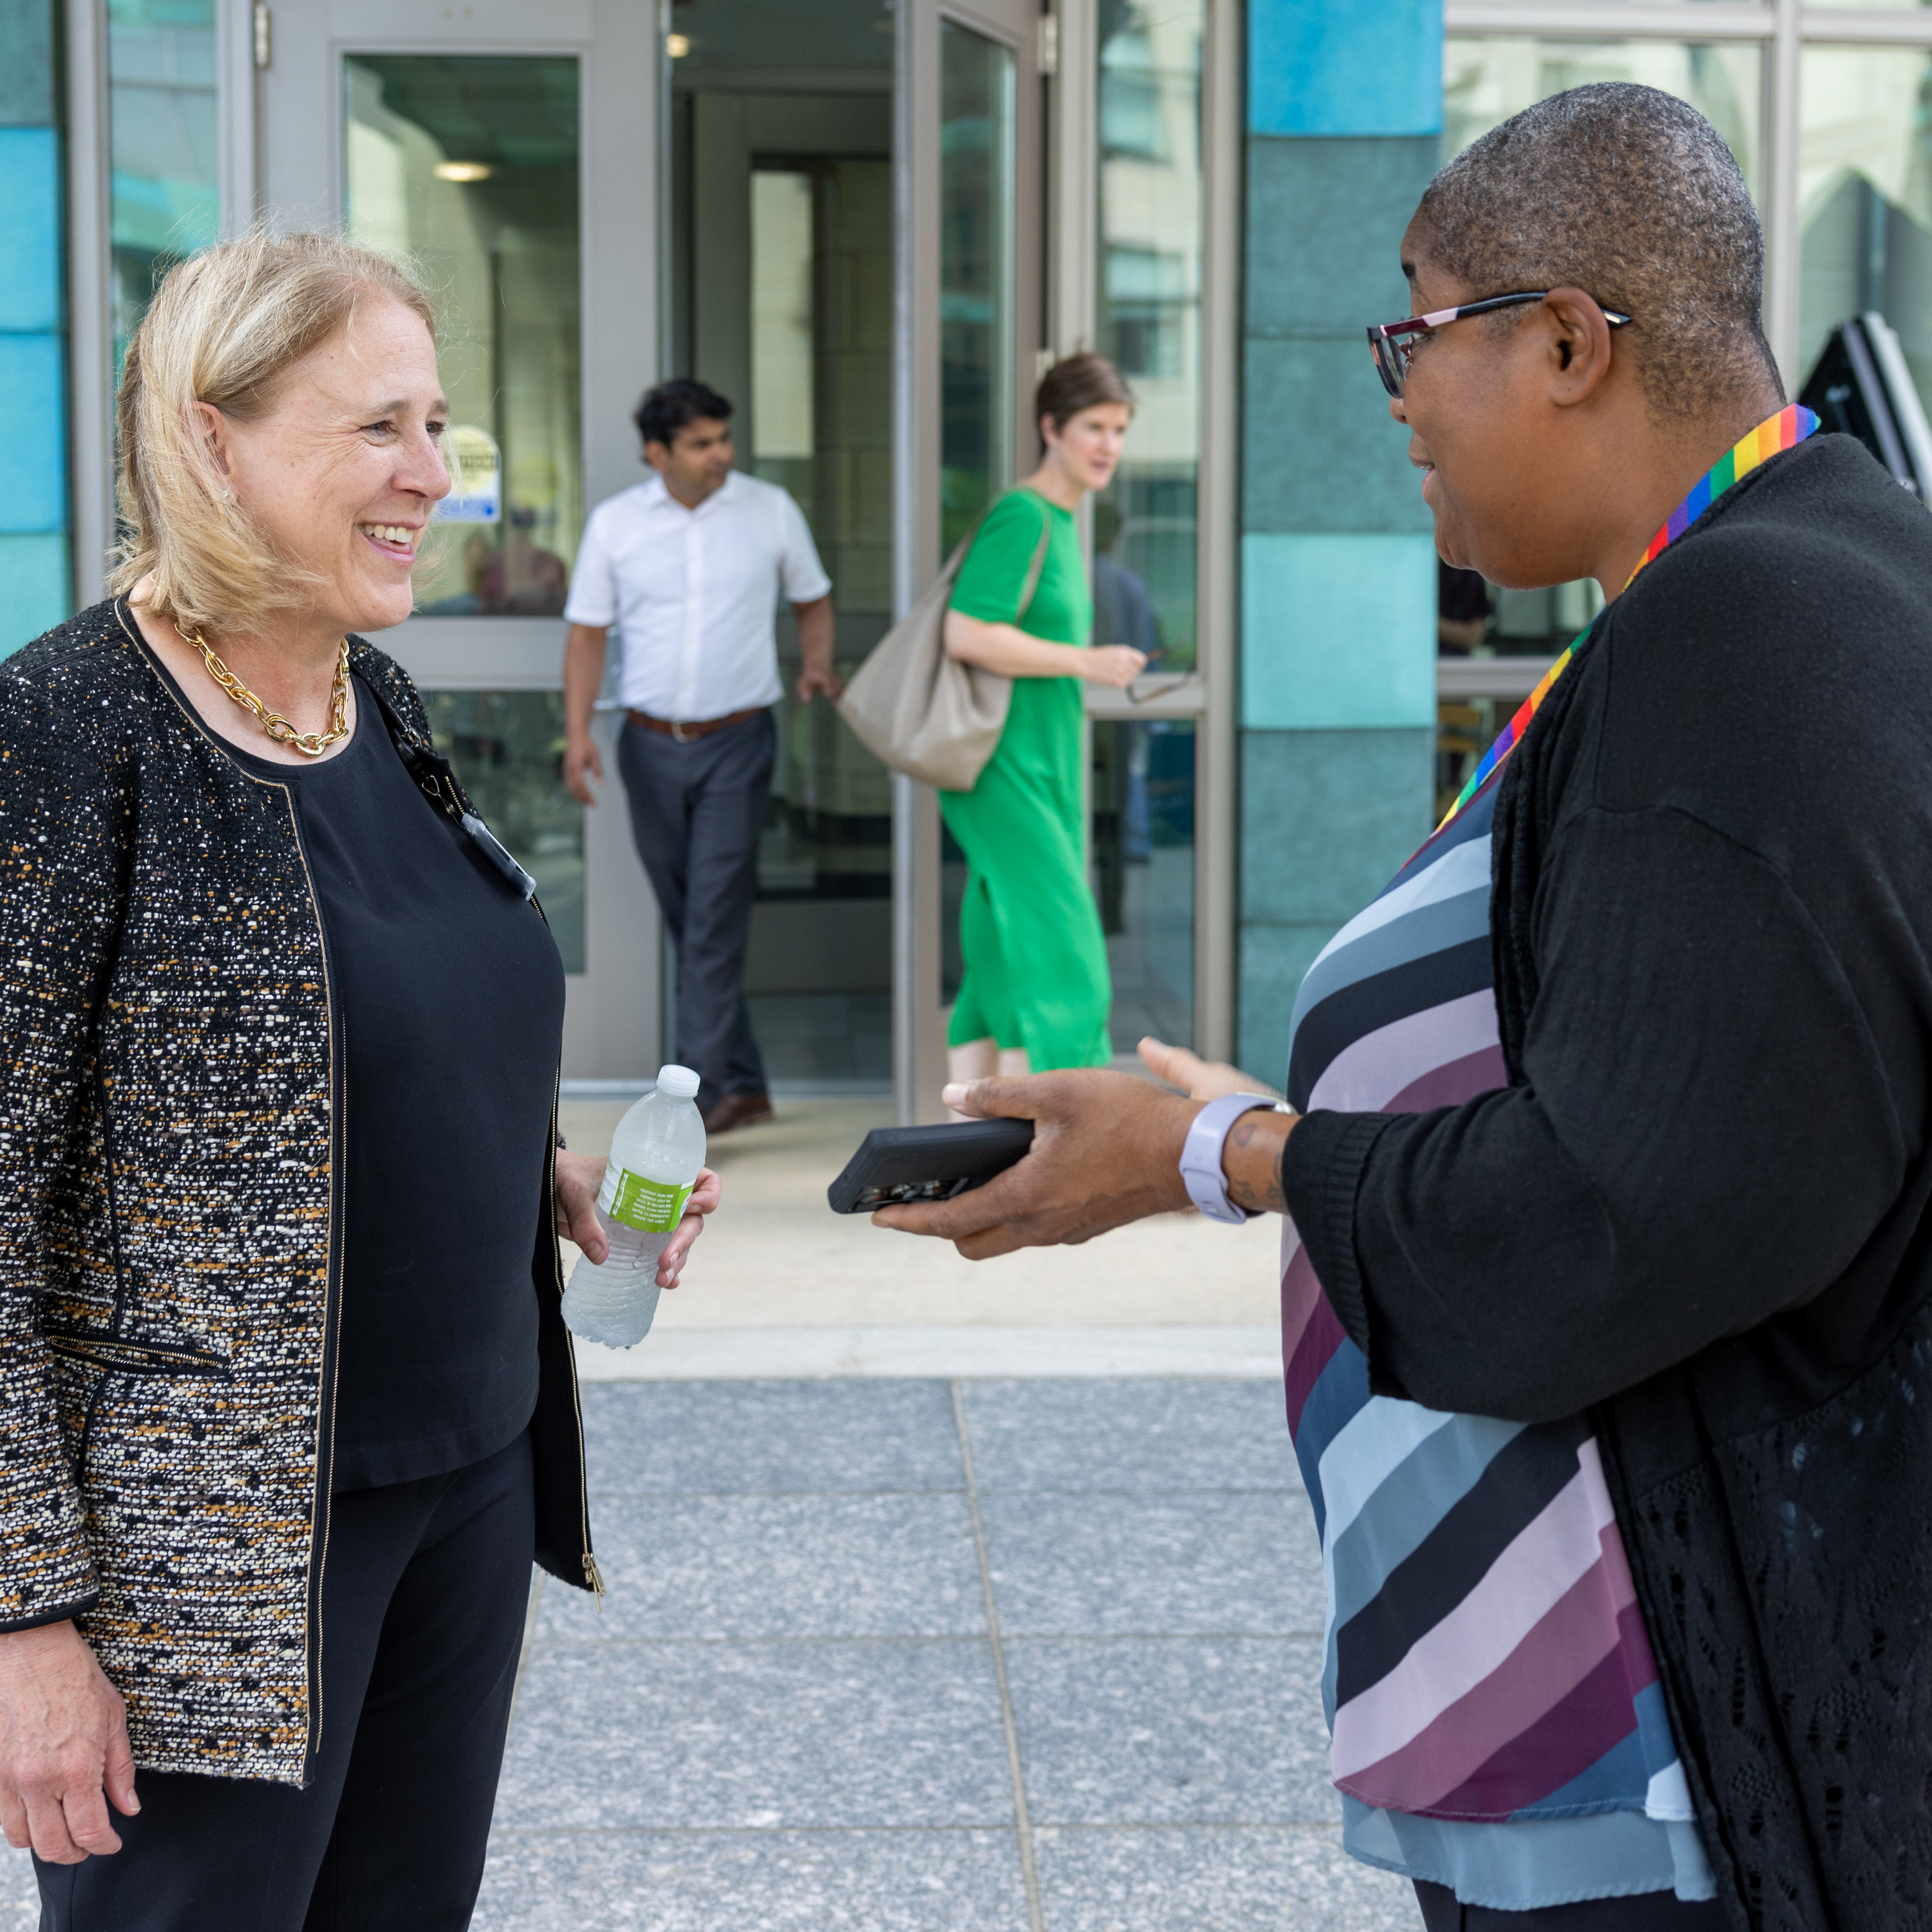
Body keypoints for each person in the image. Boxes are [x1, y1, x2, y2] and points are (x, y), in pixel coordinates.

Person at [874, 85, 1932, 1931]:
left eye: (1415, 329)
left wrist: (1215, 1148)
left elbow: (1611, 1219)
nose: (1392, 395)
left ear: (1569, 343)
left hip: (1670, 1768)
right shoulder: (1780, 577)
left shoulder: (1742, 631)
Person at [0, 230, 719, 1930]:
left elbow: (384, 1007)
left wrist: (528, 1168)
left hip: (466, 1469)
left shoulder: (368, 696)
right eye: (377, 428)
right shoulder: (64, 736)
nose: (433, 478)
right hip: (207, 1565)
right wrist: (22, 1623)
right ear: (209, 439)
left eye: (440, 424)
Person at [561, 379, 839, 1134]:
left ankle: (688, 1108)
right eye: (702, 443)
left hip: (738, 743)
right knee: (692, 918)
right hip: (648, 746)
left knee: (713, 916)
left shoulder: (769, 510)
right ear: (658, 453)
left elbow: (813, 598)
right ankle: (743, 1082)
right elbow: (587, 633)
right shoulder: (616, 526)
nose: (723, 454)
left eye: (724, 439)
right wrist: (579, 732)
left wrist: (816, 660)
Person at [940, 352, 1149, 1088]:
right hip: (1005, 770)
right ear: (1049, 427)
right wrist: (1083, 660)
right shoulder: (1023, 514)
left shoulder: (1063, 521)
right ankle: (1073, 1135)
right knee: (1070, 963)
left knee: (997, 960)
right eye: (1093, 426)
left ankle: (969, 1142)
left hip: (1045, 764)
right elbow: (966, 632)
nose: (1108, 445)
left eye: (1119, 430)